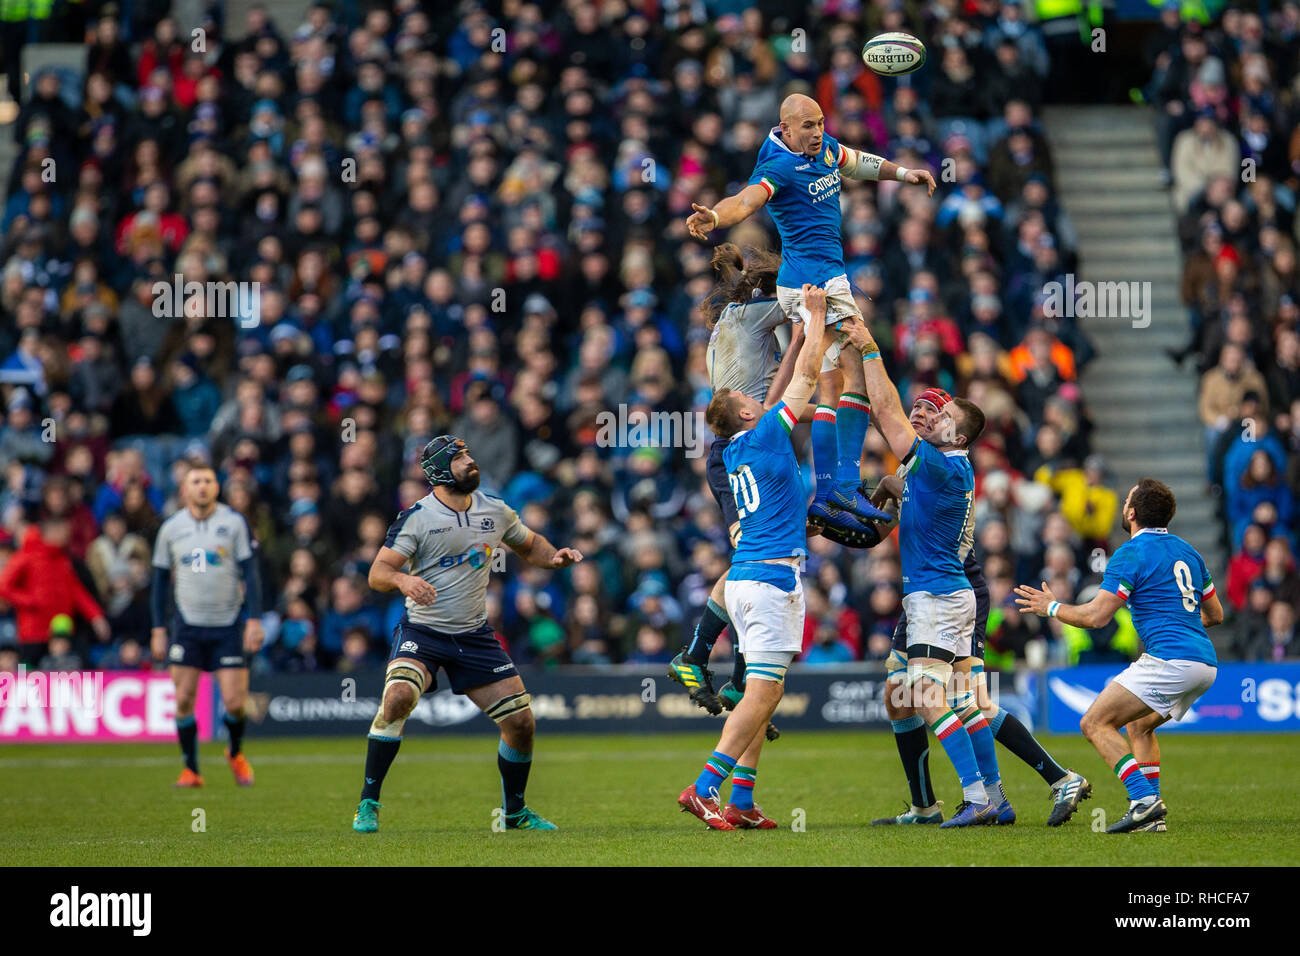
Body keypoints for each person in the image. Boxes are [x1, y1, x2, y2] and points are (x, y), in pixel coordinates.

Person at [686, 93, 931, 537]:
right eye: (808, 126)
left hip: (826, 277)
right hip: (810, 283)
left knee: (832, 384)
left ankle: (831, 492)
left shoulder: (823, 148)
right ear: (785, 128)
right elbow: (745, 202)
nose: (818, 132)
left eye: (821, 123)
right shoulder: (776, 167)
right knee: (853, 371)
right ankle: (842, 486)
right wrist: (715, 217)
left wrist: (903, 173)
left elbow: (855, 161)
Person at [352, 436, 583, 833]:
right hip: (423, 631)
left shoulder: (495, 509)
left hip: (475, 635)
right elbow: (378, 574)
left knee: (522, 724)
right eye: (460, 458)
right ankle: (368, 803)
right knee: (398, 698)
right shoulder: (417, 517)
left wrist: (554, 557)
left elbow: (529, 545)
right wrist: (404, 582)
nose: (471, 461)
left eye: (469, 454)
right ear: (439, 471)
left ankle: (514, 814)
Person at [870, 429, 1090, 826]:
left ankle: (1046, 783)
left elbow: (901, 497)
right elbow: (886, 523)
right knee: (898, 695)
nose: (918, 416)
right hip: (923, 594)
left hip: (953, 592)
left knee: (964, 700)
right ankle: (926, 807)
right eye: (915, 409)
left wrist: (882, 487)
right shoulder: (922, 463)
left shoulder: (939, 465)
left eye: (929, 410)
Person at [676, 285, 833, 831]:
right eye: (754, 398)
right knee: (763, 694)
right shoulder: (765, 433)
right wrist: (813, 322)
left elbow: (787, 388)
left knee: (762, 694)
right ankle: (704, 789)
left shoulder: (744, 445)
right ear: (746, 409)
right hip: (770, 583)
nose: (761, 398)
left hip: (746, 580)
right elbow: (805, 379)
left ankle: (741, 800)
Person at [841, 318, 1003, 827]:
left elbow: (887, 413)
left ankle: (976, 798)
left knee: (925, 697)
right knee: (957, 702)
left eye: (945, 414)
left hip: (936, 596)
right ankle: (989, 798)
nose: (934, 416)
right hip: (948, 594)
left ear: (959, 431)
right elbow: (902, 479)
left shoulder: (940, 462)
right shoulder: (938, 467)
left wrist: (868, 349)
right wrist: (886, 490)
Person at [1015, 478, 1224, 833]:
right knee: (1139, 725)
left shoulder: (1130, 553)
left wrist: (1050, 607)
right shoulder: (1188, 551)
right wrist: (1180, 623)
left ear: (1131, 512)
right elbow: (1216, 614)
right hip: (1205, 664)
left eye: (1127, 499)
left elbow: (1096, 617)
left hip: (1170, 660)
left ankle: (1143, 801)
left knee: (1094, 723)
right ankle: (1150, 819)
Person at [668, 243, 805, 727]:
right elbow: (799, 303)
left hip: (731, 451)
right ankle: (700, 655)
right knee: (753, 557)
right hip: (740, 452)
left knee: (751, 556)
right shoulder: (753, 314)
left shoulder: (729, 322)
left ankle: (738, 676)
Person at [150, 461, 264, 788]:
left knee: (235, 703)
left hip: (228, 624)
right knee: (184, 698)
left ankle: (235, 752)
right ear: (185, 489)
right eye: (196, 481)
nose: (202, 486)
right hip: (187, 626)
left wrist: (253, 619)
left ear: (217, 487)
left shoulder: (233, 523)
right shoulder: (171, 528)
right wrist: (158, 629)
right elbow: (158, 583)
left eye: (208, 481)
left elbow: (251, 575)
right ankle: (191, 769)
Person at [0, 516, 110, 668]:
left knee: (65, 668)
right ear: (52, 531)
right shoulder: (26, 555)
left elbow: (76, 591)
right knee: (26, 668)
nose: (68, 535)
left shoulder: (62, 559)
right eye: (65, 530)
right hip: (32, 630)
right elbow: (4, 586)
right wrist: (30, 601)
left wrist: (96, 616)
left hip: (60, 629)